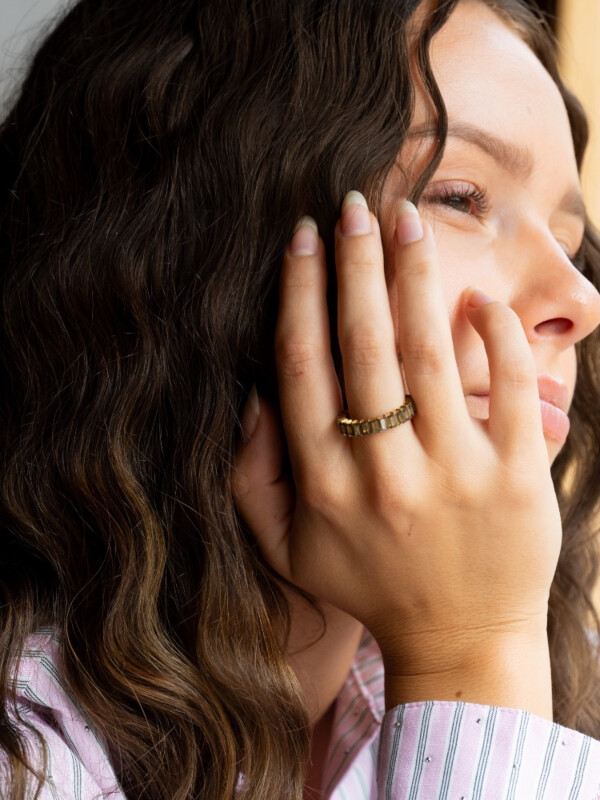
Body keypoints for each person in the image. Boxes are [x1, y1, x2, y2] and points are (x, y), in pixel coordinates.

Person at [1, 0, 600, 797]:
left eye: (568, 243)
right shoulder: (29, 752)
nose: (579, 298)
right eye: (459, 196)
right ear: (211, 246)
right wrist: (471, 657)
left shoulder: (574, 670)